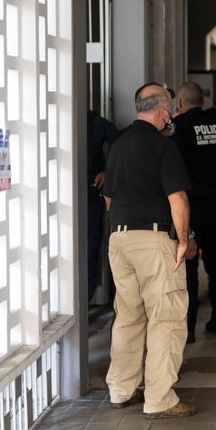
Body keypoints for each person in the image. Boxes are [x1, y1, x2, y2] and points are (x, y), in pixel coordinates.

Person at [102, 82, 196, 418]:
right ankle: (160, 398)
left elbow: (109, 198)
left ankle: (120, 389)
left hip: (119, 239)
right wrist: (184, 240)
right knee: (166, 317)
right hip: (154, 242)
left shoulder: (119, 145)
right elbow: (178, 198)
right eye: (168, 109)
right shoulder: (162, 146)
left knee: (128, 316)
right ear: (162, 111)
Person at [170, 81, 216, 342]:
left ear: (180, 103)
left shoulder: (179, 127)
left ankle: (188, 330)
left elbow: (174, 162)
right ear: (203, 100)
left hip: (191, 207)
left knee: (188, 267)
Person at [87, 110, 123, 304]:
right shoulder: (54, 114)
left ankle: (83, 304)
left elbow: (122, 143)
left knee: (89, 250)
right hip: (56, 195)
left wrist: (107, 171)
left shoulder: (96, 123)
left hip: (90, 193)